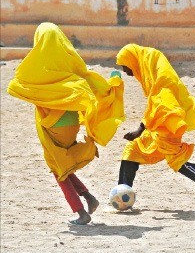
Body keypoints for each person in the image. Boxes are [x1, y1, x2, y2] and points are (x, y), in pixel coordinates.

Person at [7, 22, 125, 224]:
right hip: (71, 125)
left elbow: (17, 83)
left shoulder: (40, 71)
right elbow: (92, 83)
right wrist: (113, 83)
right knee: (61, 164)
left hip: (54, 126)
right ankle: (89, 198)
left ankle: (81, 213)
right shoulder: (70, 69)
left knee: (58, 170)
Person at [115, 44, 195, 212]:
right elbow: (180, 94)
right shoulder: (153, 72)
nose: (125, 71)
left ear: (133, 61)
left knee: (176, 160)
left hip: (168, 125)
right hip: (159, 125)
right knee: (132, 150)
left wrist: (140, 130)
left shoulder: (160, 79)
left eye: (125, 66)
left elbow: (164, 102)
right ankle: (122, 196)